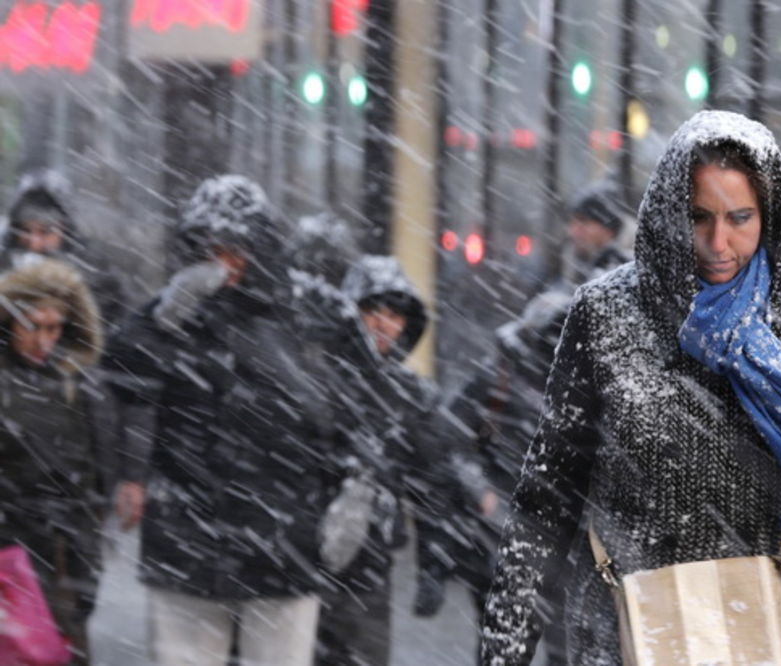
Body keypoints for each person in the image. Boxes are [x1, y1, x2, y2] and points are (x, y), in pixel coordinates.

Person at [480, 110, 781, 665]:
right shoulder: (604, 317)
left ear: (771, 216)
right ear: (670, 214)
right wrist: (504, 653)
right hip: (627, 637)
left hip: (767, 637)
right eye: (699, 216)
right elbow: (547, 507)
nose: (719, 242)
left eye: (740, 217)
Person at [103, 175, 345, 666]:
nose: (223, 262)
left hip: (281, 532)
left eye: (235, 249)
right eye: (210, 248)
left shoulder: (303, 315)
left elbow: (343, 406)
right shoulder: (175, 314)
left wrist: (349, 486)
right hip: (189, 530)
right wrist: (163, 314)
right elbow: (121, 367)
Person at [314, 254, 454, 666]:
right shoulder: (316, 377)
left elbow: (433, 483)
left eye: (395, 315)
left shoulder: (413, 396)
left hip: (370, 560)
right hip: (299, 550)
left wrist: (434, 563)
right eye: (373, 310)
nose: (383, 323)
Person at [0, 259, 136, 664]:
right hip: (11, 541)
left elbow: (99, 458)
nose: (44, 340)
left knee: (63, 642)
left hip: (67, 541)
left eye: (54, 327)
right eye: (33, 326)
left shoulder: (80, 380)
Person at [439, 289, 572, 662]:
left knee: (565, 649)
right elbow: (452, 440)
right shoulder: (498, 376)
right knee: (505, 647)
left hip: (563, 540)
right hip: (503, 535)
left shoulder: (580, 383)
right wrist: (482, 493)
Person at [2, 169, 127, 329]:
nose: (34, 243)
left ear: (65, 230)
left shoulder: (94, 275)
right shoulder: (4, 265)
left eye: (45, 231)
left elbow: (111, 332)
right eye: (25, 231)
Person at [561, 182, 630, 287]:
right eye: (572, 223)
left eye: (583, 221)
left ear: (608, 229)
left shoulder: (626, 276)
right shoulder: (573, 270)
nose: (573, 232)